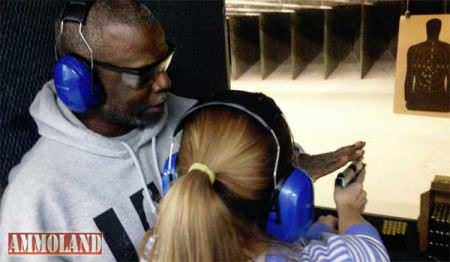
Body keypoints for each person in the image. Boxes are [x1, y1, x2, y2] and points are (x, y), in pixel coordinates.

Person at [0, 0, 365, 261]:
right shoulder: (33, 201)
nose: (165, 81)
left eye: (165, 62)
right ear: (78, 82)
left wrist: (295, 170)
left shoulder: (191, 117)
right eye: (143, 74)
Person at [141, 91, 388, 262]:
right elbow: (370, 251)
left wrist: (312, 233)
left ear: (174, 176)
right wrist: (348, 209)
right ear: (286, 197)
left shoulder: (157, 247)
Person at [405, 18, 450, 112]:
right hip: (440, 101)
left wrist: (409, 98)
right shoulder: (447, 49)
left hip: (418, 100)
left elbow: (409, 76)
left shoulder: (414, 49)